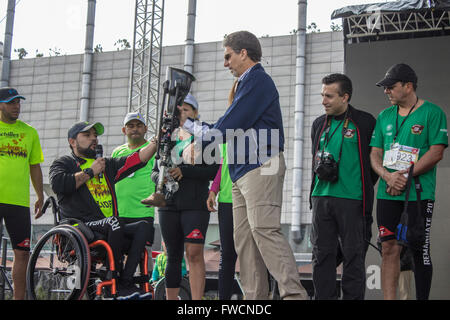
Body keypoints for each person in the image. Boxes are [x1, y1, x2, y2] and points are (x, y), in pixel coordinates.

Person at [179, 31, 307, 300]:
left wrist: (198, 143)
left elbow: (230, 124)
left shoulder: (257, 80)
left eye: (228, 56)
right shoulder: (243, 85)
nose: (225, 63)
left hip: (262, 166)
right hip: (240, 172)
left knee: (264, 230)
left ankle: (294, 296)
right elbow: (222, 125)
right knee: (245, 242)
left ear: (243, 53)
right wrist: (188, 125)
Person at [49, 120, 157, 300]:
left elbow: (137, 159)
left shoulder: (106, 164)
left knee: (143, 227)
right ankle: (110, 281)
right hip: (81, 226)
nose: (94, 139)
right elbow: (59, 183)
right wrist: (90, 172)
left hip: (107, 227)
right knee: (115, 222)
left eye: (95, 135)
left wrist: (157, 140)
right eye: (87, 135)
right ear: (72, 142)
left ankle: (125, 282)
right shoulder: (64, 162)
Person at [370, 63, 448, 300]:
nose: (386, 91)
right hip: (388, 192)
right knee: (388, 248)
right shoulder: (384, 116)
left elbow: (436, 153)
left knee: (419, 249)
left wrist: (404, 175)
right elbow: (375, 154)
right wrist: (387, 176)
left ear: (408, 86)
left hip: (418, 193)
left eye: (390, 87)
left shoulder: (433, 113)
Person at [309, 73, 377, 300]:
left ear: (345, 97)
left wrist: (361, 185)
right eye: (322, 95)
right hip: (321, 198)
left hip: (352, 199)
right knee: (321, 258)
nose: (323, 100)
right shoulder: (318, 123)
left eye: (329, 96)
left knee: (353, 259)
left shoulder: (365, 121)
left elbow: (373, 163)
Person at [150, 94, 219, 300]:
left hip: (196, 204)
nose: (181, 114)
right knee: (172, 256)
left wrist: (185, 171)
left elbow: (214, 170)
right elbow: (154, 171)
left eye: (186, 110)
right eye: (178, 111)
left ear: (195, 114)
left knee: (194, 253)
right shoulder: (166, 137)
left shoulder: (205, 137)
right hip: (168, 205)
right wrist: (160, 179)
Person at [0, 87, 44, 300]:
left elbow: (34, 166)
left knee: (23, 252)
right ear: (1, 105)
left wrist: (40, 195)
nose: (16, 106)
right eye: (11, 102)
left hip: (18, 202)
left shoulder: (29, 132)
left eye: (18, 102)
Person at [111, 112, 157, 272]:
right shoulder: (117, 152)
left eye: (138, 126)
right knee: (114, 257)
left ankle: (143, 287)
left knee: (142, 258)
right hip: (118, 214)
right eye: (130, 126)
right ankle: (119, 289)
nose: (135, 129)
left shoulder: (153, 150)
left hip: (143, 214)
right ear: (124, 130)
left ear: (145, 128)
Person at [206, 142, 238, 300]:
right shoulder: (227, 135)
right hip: (226, 199)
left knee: (252, 253)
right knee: (227, 255)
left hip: (248, 199)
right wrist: (214, 189)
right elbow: (222, 164)